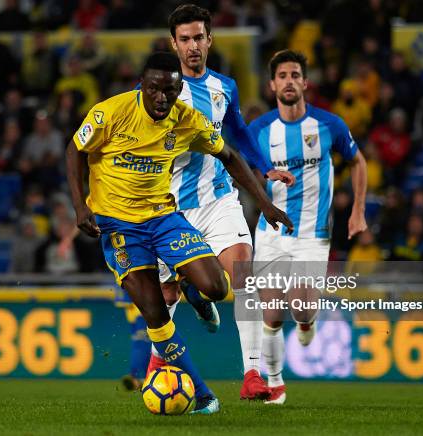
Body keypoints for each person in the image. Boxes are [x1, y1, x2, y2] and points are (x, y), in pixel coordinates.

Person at [65, 52, 293, 414]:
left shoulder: (187, 120)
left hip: (163, 217)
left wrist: (265, 204)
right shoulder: (110, 112)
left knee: (218, 287)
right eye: (153, 89)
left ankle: (194, 290)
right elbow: (76, 150)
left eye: (169, 91)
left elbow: (230, 155)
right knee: (155, 313)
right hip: (119, 227)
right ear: (141, 85)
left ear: (179, 89)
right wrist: (80, 205)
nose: (160, 98)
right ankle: (203, 394)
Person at [143, 4, 295, 401]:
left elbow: (239, 134)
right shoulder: (155, 93)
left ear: (210, 39)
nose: (193, 46)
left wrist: (264, 170)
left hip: (218, 198)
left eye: (199, 38)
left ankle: (252, 376)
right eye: (185, 39)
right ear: (173, 44)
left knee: (243, 275)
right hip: (168, 205)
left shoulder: (223, 87)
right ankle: (160, 363)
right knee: (167, 296)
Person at [248, 49, 367, 404]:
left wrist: (357, 210)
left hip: (313, 235)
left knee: (300, 307)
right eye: (282, 75)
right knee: (270, 313)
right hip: (271, 233)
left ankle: (306, 322)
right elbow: (246, 174)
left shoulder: (330, 125)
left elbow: (358, 162)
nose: (289, 81)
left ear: (305, 82)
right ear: (272, 84)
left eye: (295, 75)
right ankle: (275, 383)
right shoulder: (259, 130)